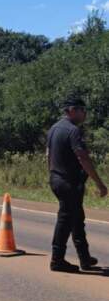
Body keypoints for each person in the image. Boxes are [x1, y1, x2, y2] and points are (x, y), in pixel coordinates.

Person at [47, 96, 107, 272]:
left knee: (77, 218)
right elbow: (83, 158)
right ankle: (57, 260)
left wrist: (52, 174)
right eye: (82, 110)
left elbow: (48, 155)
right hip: (68, 182)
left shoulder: (54, 128)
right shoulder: (73, 130)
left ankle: (85, 258)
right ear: (72, 110)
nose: (85, 114)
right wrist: (100, 184)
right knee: (66, 219)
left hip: (57, 179)